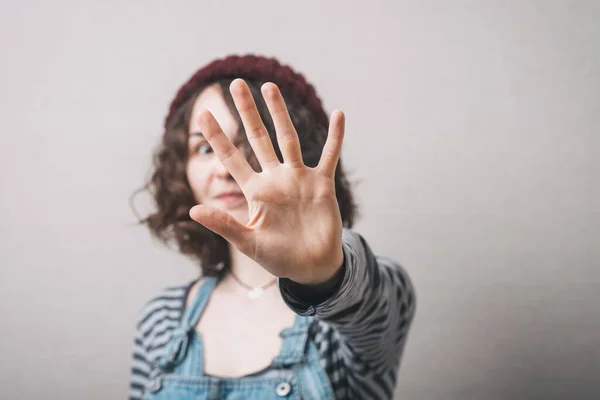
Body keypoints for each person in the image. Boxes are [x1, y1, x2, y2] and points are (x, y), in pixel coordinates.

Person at [129, 54, 416, 400]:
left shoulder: (356, 311)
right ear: (182, 171)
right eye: (205, 148)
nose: (223, 168)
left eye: (251, 141)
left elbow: (368, 303)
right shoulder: (160, 320)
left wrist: (324, 276)